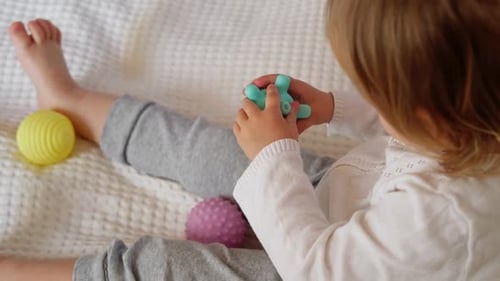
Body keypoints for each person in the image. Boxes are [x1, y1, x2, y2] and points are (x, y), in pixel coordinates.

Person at [1, 0, 499, 280]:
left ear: (428, 116)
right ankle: (68, 100)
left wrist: (273, 157)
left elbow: (318, 271)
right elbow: (396, 115)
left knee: (164, 268)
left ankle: (16, 271)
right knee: (209, 148)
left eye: (375, 94)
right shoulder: (472, 114)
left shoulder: (443, 220)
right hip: (355, 199)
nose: (369, 101)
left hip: (324, 269)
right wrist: (331, 106)